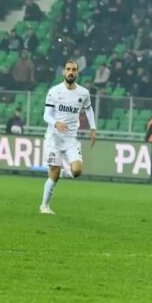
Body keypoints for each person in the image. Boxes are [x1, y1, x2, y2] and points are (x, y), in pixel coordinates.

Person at [40, 60, 97, 215]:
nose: (71, 72)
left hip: (71, 139)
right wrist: (55, 123)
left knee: (77, 171)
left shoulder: (83, 93)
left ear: (77, 72)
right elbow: (46, 115)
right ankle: (44, 206)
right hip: (54, 138)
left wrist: (93, 128)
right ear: (64, 72)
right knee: (54, 172)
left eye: (74, 69)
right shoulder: (54, 91)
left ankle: (64, 173)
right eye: (68, 69)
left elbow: (89, 109)